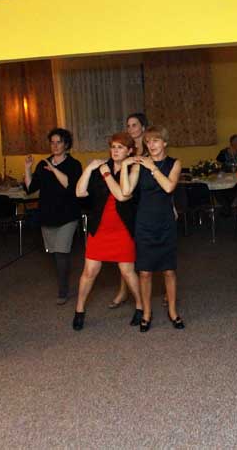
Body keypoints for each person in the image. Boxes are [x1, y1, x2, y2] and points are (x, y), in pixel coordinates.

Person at [72, 132, 143, 330]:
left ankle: (140, 306)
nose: (115, 151)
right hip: (100, 228)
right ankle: (79, 310)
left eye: (120, 147)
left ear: (130, 151)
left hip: (123, 228)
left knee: (127, 271)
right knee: (89, 271)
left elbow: (123, 196)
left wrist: (106, 174)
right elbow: (79, 192)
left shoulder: (133, 169)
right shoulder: (100, 168)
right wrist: (89, 169)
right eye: (113, 147)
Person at [120, 125, 184, 332]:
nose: (151, 145)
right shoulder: (140, 164)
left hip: (165, 222)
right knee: (145, 272)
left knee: (169, 271)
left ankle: (172, 311)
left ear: (164, 142)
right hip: (144, 223)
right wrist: (124, 166)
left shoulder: (174, 163)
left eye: (156, 140)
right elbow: (126, 191)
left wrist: (153, 168)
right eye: (148, 141)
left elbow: (168, 187)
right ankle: (146, 313)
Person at [24, 128, 83, 305]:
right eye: (52, 142)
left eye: (59, 142)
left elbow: (70, 186)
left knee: (61, 253)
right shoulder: (43, 164)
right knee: (54, 253)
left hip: (67, 215)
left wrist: (54, 169)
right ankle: (64, 278)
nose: (55, 146)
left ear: (66, 144)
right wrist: (27, 168)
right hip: (48, 215)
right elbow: (30, 188)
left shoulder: (74, 164)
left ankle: (63, 290)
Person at [110, 112, 150, 308]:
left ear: (143, 127)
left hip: (147, 200)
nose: (130, 129)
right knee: (125, 251)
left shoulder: (151, 148)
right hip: (129, 202)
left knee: (149, 249)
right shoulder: (125, 148)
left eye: (134, 125)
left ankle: (164, 289)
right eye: (128, 125)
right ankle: (123, 290)